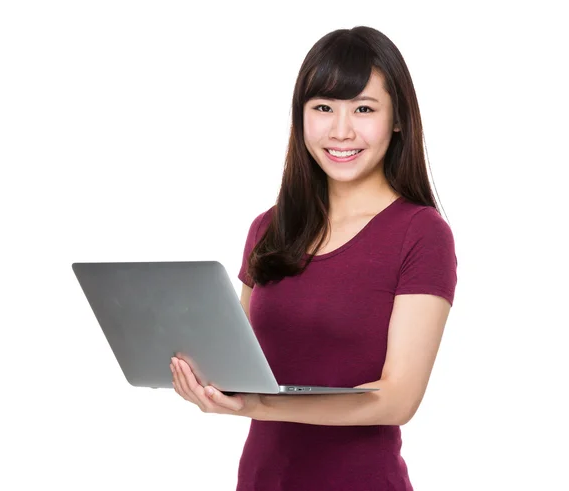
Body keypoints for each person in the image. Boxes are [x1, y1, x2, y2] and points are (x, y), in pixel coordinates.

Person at [170, 25, 457, 491]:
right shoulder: (270, 227)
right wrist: (201, 374)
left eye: (364, 109)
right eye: (323, 108)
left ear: (397, 119)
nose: (341, 131)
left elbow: (396, 399)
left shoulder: (421, 234)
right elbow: (242, 368)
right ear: (300, 117)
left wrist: (261, 406)